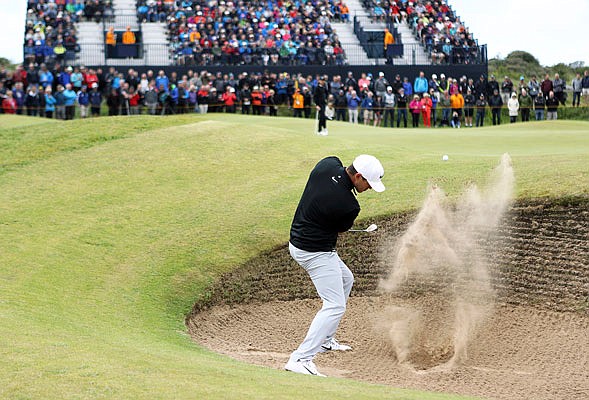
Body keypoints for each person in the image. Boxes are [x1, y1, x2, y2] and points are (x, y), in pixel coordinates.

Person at [285, 154, 385, 377]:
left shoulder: (327, 164)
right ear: (358, 176)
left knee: (346, 279)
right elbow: (341, 228)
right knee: (335, 305)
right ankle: (300, 359)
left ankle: (325, 341)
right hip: (314, 252)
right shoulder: (349, 205)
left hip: (299, 242)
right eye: (368, 183)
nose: (369, 188)